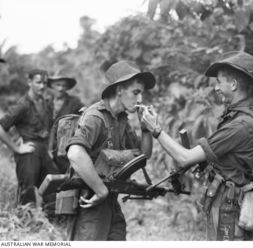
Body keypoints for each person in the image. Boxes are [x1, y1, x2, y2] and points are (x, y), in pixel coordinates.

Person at [142, 51, 253, 240]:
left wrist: (156, 130)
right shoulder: (246, 116)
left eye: (219, 82)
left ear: (233, 84)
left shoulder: (239, 125)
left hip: (228, 207)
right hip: (229, 201)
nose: (216, 88)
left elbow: (185, 158)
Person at [66, 60, 155, 240]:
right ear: (119, 89)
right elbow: (75, 153)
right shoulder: (95, 117)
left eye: (141, 94)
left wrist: (146, 129)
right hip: (90, 200)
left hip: (110, 201)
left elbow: (144, 155)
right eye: (135, 92)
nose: (140, 100)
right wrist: (100, 190)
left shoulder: (121, 119)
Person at [0, 69, 58, 205]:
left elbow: (49, 128)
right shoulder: (22, 105)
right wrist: (16, 148)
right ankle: (25, 222)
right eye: (38, 82)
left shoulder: (46, 103)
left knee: (53, 188)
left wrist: (49, 149)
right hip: (29, 152)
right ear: (29, 82)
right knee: (27, 193)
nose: (42, 86)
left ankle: (50, 222)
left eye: (44, 82)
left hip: (44, 151)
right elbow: (1, 127)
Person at [47, 74, 84, 173]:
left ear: (67, 87)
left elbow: (85, 115)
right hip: (47, 146)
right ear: (52, 86)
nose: (60, 88)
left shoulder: (74, 102)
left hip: (65, 147)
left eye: (63, 86)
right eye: (58, 85)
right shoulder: (46, 102)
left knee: (67, 175)